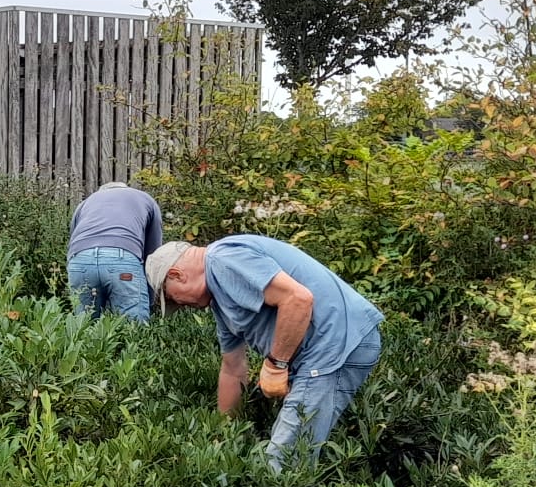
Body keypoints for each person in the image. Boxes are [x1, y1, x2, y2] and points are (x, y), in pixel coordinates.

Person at [144, 235, 383, 468]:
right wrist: (224, 435)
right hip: (325, 350)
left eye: (172, 298)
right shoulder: (220, 301)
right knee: (291, 453)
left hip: (335, 344)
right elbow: (232, 369)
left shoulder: (223, 260)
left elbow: (298, 299)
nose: (180, 305)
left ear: (177, 275)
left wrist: (275, 365)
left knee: (283, 462)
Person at [65, 181, 163, 322]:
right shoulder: (145, 199)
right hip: (122, 259)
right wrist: (150, 298)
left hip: (80, 261)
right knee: (132, 326)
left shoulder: (85, 203)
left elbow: (73, 241)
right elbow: (153, 253)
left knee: (84, 325)